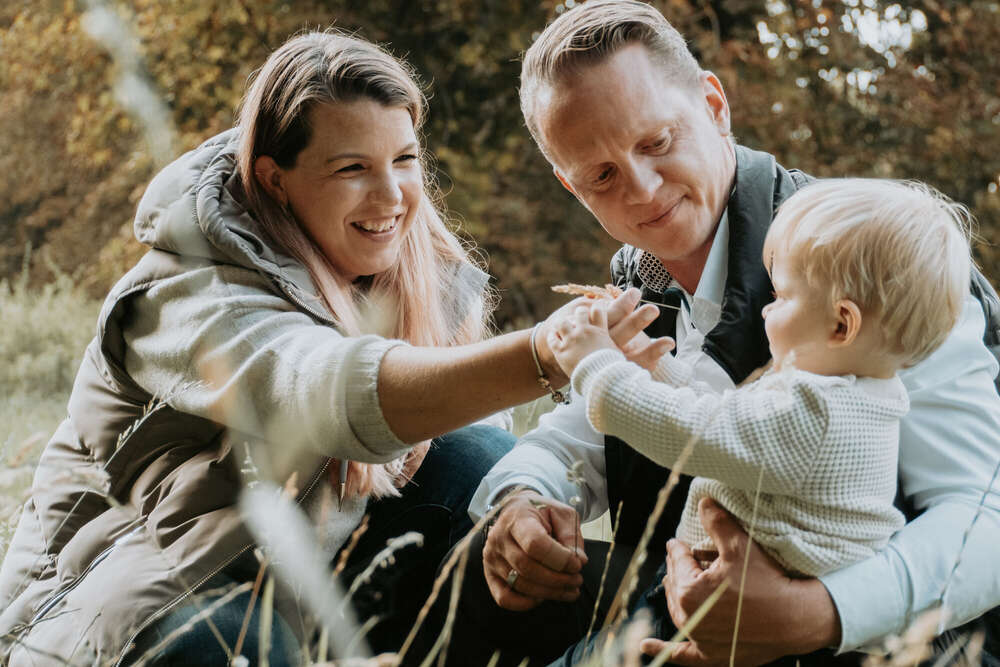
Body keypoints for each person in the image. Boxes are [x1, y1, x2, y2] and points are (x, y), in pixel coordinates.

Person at [0, 31, 661, 665]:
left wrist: (518, 515)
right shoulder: (188, 287)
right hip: (115, 607)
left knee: (479, 463)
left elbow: (472, 451)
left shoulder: (416, 275)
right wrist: (544, 353)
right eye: (352, 168)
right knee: (224, 633)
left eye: (404, 159)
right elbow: (320, 391)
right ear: (275, 177)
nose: (392, 196)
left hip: (308, 592)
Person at [459, 1, 1000, 665]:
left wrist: (816, 614)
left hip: (893, 646)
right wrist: (520, 501)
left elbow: (985, 522)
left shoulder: (878, 266)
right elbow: (588, 430)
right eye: (600, 175)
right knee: (462, 542)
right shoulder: (639, 278)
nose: (643, 188)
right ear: (569, 186)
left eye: (656, 141)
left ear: (714, 105)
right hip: (679, 609)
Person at [547, 178, 971, 579]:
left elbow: (692, 435)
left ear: (842, 325)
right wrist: (656, 366)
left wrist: (597, 367)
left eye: (781, 297)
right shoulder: (852, 393)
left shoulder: (816, 412)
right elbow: (727, 415)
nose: (766, 310)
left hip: (754, 630)